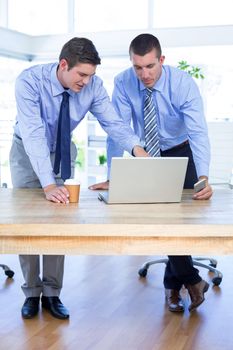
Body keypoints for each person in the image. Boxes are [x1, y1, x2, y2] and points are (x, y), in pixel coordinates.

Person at [10, 37, 147, 320]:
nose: (86, 81)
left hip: (61, 149)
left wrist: (136, 148)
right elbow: (34, 134)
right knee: (28, 223)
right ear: (63, 64)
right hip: (26, 151)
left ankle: (52, 293)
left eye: (91, 75)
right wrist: (48, 184)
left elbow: (113, 122)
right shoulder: (29, 82)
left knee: (57, 221)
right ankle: (31, 292)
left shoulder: (93, 86)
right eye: (81, 74)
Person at [89, 33, 213, 313]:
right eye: (137, 67)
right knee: (161, 220)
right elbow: (116, 129)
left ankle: (175, 288)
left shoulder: (182, 83)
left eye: (150, 66)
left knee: (179, 221)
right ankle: (190, 282)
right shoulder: (123, 81)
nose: (144, 74)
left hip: (181, 151)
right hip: (144, 153)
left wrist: (203, 175)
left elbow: (198, 132)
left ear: (162, 60)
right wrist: (114, 172)